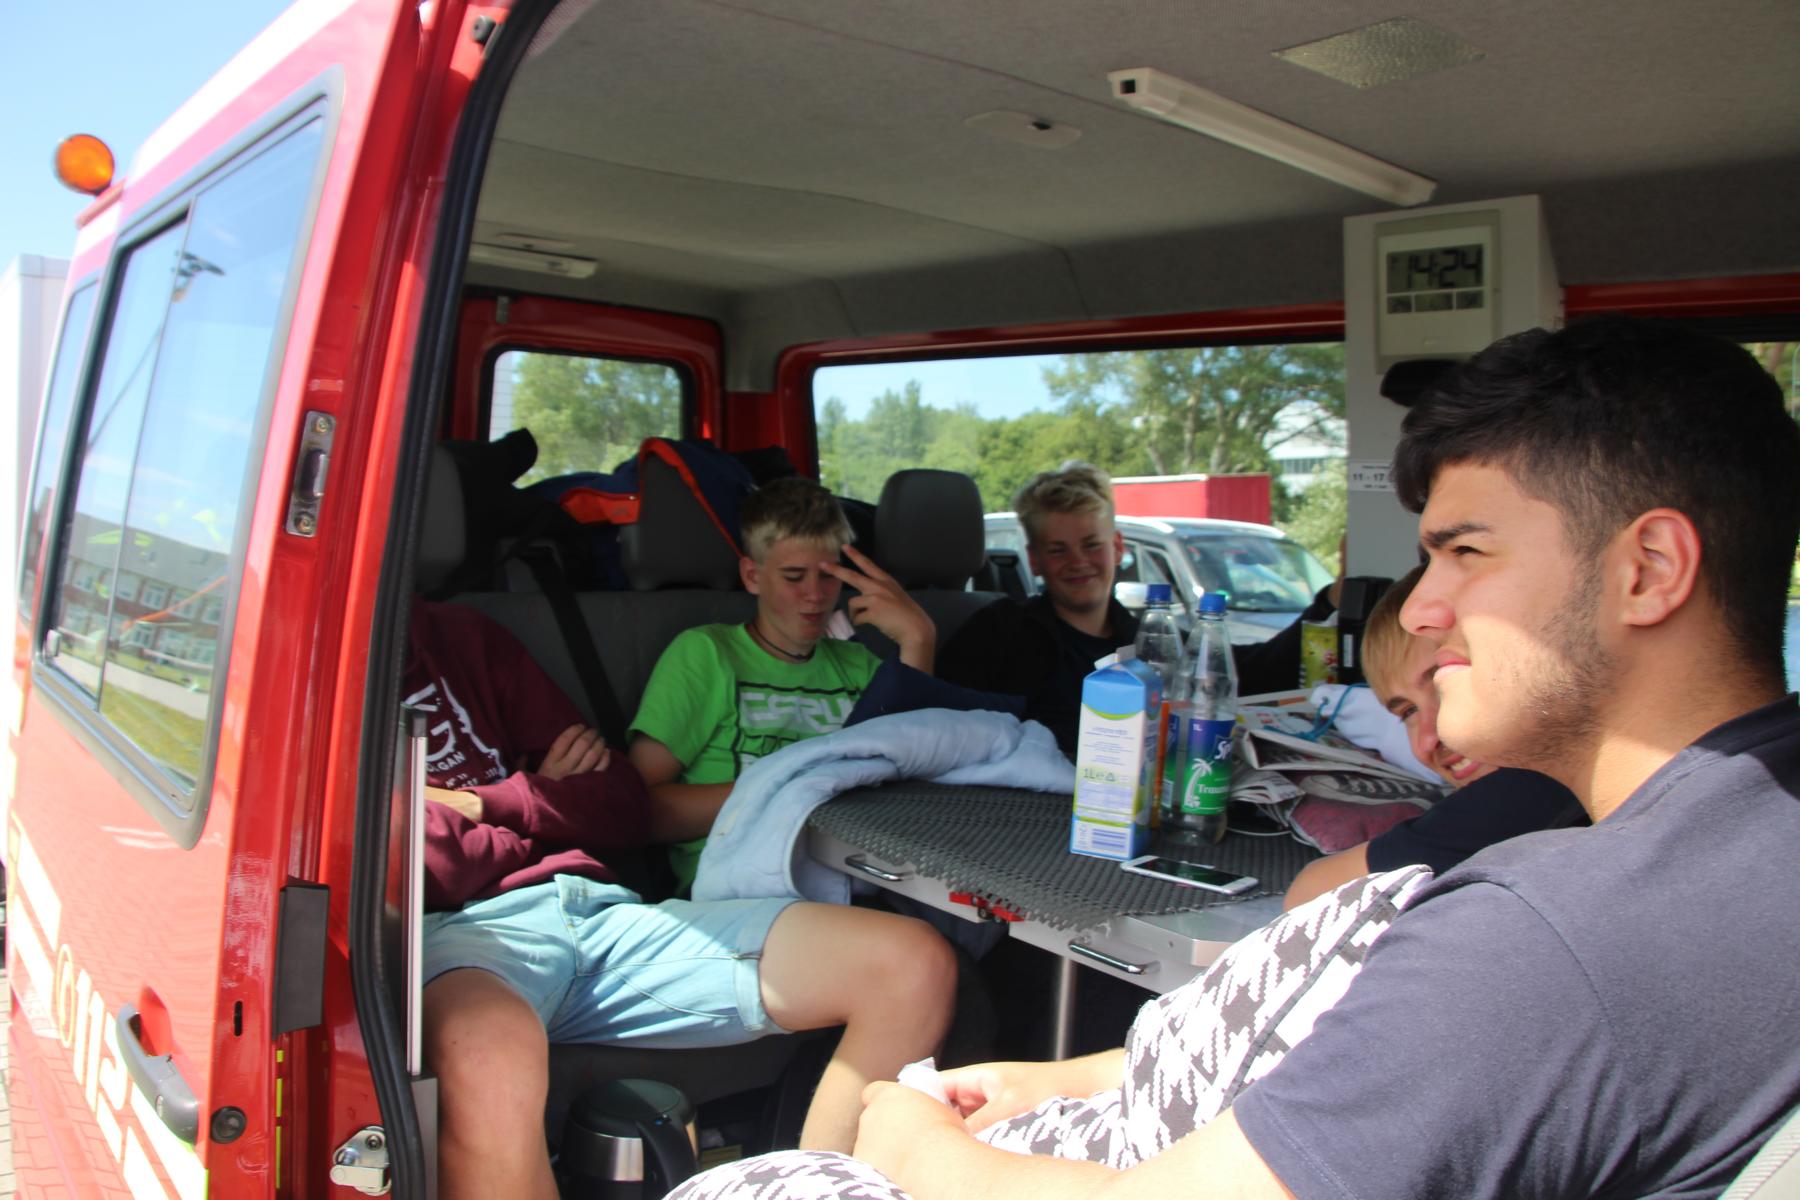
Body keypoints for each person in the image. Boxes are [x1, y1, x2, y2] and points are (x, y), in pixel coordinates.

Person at [664, 314, 1800, 1199]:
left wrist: (909, 1137)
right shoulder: (1749, 841)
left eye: (1465, 552)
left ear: (1649, 569)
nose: (1425, 607)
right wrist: (1065, 1078)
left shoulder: (1536, 939)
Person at [411, 599, 957, 1200]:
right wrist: (545, 800)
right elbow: (411, 855)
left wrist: (486, 803)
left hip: (600, 908)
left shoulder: (461, 637)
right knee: (484, 1051)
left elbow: (622, 803)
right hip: (463, 931)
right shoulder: (330, 671)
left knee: (911, 966)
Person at [627, 476, 938, 892]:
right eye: (794, 576)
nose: (815, 595)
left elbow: (914, 771)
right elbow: (640, 812)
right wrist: (794, 791)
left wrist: (918, 639)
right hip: (738, 887)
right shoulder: (707, 655)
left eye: (829, 577)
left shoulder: (857, 665)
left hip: (852, 873)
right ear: (752, 575)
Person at [939, 464, 1334, 756]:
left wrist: (1329, 602)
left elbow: (1242, 672)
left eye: (1092, 545)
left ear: (1117, 548)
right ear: (1035, 560)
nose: (1078, 562)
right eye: (1058, 550)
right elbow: (944, 720)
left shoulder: (1152, 642)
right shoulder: (1000, 631)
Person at [1282, 564, 1583, 908]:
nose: (1430, 736)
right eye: (1408, 712)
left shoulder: (1531, 787)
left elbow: (1309, 894)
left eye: (1445, 682)